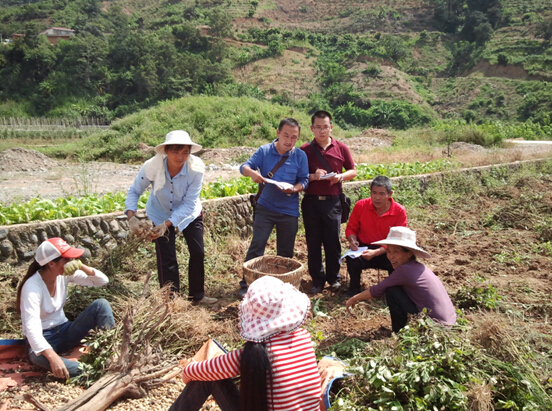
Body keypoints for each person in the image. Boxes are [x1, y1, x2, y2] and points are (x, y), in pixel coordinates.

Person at [169, 275, 322, 411]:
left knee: (206, 379)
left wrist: (187, 370)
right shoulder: (303, 338)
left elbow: (195, 371)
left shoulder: (252, 355)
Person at [125, 130, 217, 304]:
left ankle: (197, 295)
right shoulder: (152, 166)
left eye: (185, 152)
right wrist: (131, 216)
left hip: (189, 213)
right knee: (167, 257)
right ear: (166, 151)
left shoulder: (196, 169)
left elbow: (189, 203)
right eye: (175, 151)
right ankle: (171, 299)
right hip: (159, 212)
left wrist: (167, 224)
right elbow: (135, 190)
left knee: (198, 252)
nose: (180, 157)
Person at [16, 238, 115, 379]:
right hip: (45, 338)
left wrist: (81, 266)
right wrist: (53, 358)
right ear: (51, 264)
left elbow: (102, 281)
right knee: (40, 358)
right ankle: (94, 372)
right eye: (67, 260)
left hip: (65, 330)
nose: (71, 262)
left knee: (101, 304)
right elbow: (32, 330)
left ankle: (111, 353)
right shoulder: (32, 288)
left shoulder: (63, 275)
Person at [238, 118, 309, 297]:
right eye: (286, 135)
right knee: (257, 245)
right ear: (277, 133)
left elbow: (305, 180)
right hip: (266, 208)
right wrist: (253, 173)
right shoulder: (264, 151)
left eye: (294, 137)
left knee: (285, 253)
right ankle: (247, 285)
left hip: (289, 211)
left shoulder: (300, 156)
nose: (289, 141)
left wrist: (294, 189)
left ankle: (282, 289)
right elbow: (244, 167)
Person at [346, 226, 457, 332]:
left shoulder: (404, 270)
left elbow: (377, 290)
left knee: (391, 290)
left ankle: (399, 331)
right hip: (449, 322)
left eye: (396, 252)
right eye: (389, 251)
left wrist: (354, 298)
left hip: (434, 326)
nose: (391, 256)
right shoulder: (417, 267)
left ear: (409, 254)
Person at [300, 110, 357, 294]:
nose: (322, 131)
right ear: (312, 128)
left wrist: (340, 177)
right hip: (311, 203)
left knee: (333, 242)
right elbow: (298, 176)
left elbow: (352, 171)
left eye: (325, 127)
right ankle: (317, 280)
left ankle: (334, 278)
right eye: (318, 127)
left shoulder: (341, 148)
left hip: (333, 202)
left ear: (331, 127)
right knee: (313, 242)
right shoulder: (304, 150)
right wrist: (313, 177)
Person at [344, 175, 407, 298]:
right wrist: (353, 240)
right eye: (374, 193)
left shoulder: (399, 211)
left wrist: (377, 252)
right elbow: (351, 228)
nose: (377, 197)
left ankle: (394, 292)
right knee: (352, 258)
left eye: (382, 194)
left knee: (400, 261)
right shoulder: (361, 206)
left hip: (388, 250)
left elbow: (398, 240)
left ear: (390, 194)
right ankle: (354, 289)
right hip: (363, 248)